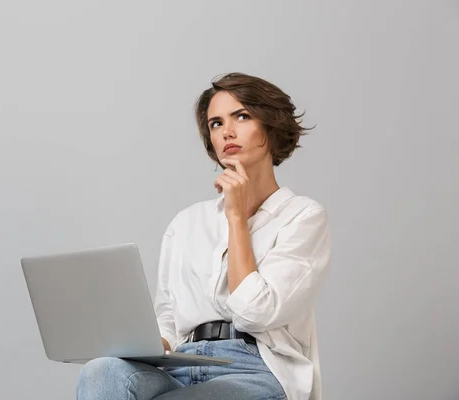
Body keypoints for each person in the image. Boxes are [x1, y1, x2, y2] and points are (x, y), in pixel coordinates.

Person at [76, 72, 332, 400]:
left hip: (255, 368)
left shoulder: (301, 217)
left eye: (242, 116)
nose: (227, 131)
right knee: (101, 372)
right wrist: (138, 344)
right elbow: (168, 317)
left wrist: (236, 217)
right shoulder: (186, 223)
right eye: (215, 123)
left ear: (270, 124)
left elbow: (255, 313)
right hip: (181, 364)